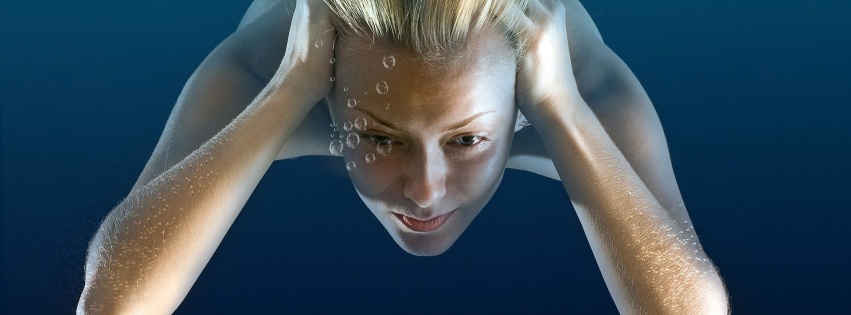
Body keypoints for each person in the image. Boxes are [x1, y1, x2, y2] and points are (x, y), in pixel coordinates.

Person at [77, 0, 729, 313]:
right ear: (328, 97)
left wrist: (561, 111)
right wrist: (289, 88)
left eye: (467, 139)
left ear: (521, 100)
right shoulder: (263, 69)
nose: (424, 191)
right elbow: (110, 307)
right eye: (379, 137)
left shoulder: (579, 88)